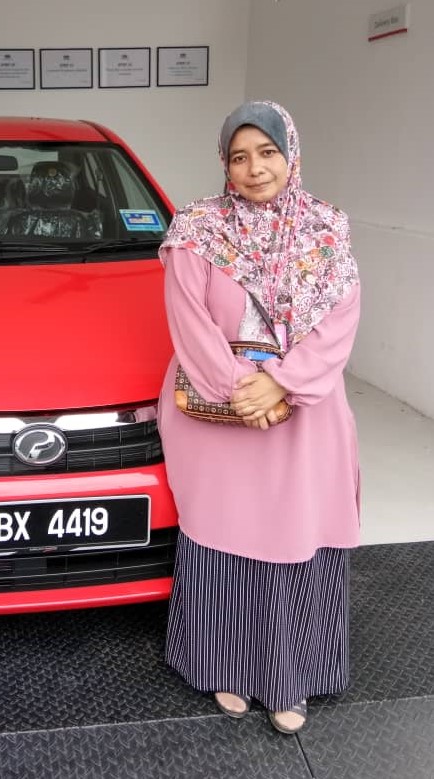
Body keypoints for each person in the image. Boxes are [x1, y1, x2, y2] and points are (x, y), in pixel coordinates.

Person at [157, 101, 360, 734]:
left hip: (303, 409)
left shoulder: (325, 229)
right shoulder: (197, 228)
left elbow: (339, 322)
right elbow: (188, 319)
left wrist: (283, 384)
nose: (255, 169)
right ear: (225, 164)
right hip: (218, 410)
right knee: (224, 535)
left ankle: (290, 677)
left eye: (267, 153)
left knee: (297, 531)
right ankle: (222, 664)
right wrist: (238, 390)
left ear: (290, 154)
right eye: (240, 157)